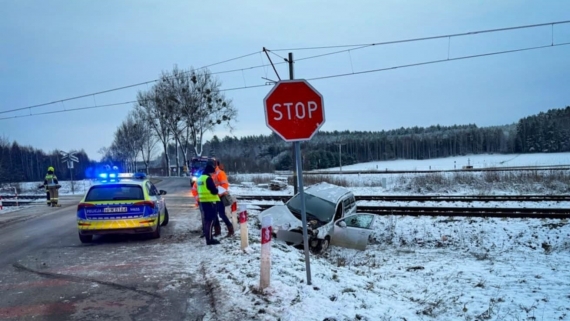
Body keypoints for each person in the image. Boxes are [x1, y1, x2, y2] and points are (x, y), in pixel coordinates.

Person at [196, 163, 221, 245]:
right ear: (210, 172)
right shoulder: (208, 178)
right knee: (210, 221)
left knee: (207, 221)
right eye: (212, 173)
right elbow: (213, 191)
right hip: (210, 202)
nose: (213, 175)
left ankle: (208, 237)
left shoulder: (200, 178)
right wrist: (217, 190)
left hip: (203, 202)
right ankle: (209, 239)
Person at [212, 159, 234, 237]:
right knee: (214, 214)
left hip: (220, 196)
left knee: (221, 214)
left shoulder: (220, 173)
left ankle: (230, 229)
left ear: (216, 165)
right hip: (215, 197)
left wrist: (218, 194)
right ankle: (218, 230)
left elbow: (225, 185)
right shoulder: (213, 173)